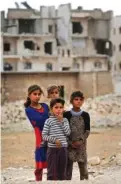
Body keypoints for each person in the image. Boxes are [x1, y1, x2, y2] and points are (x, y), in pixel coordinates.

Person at [24, 84, 49, 181]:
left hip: (51, 134)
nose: (37, 96)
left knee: (52, 159)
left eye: (39, 94)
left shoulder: (45, 106)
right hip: (40, 136)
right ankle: (38, 181)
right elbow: (39, 120)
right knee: (39, 163)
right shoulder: (29, 110)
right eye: (35, 94)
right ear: (29, 95)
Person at [64, 91, 90, 180]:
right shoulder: (66, 115)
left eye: (80, 100)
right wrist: (70, 143)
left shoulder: (86, 115)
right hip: (69, 146)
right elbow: (64, 131)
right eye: (76, 99)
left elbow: (87, 131)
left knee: (83, 168)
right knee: (67, 168)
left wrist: (80, 141)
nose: (78, 101)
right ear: (71, 101)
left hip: (81, 146)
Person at [42, 98, 71, 180]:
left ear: (63, 109)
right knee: (51, 171)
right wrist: (55, 140)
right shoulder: (48, 121)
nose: (59, 110)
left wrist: (61, 121)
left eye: (61, 107)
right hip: (52, 150)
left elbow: (68, 133)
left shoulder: (65, 120)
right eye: (56, 107)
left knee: (62, 171)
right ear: (51, 109)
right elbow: (44, 135)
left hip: (63, 149)